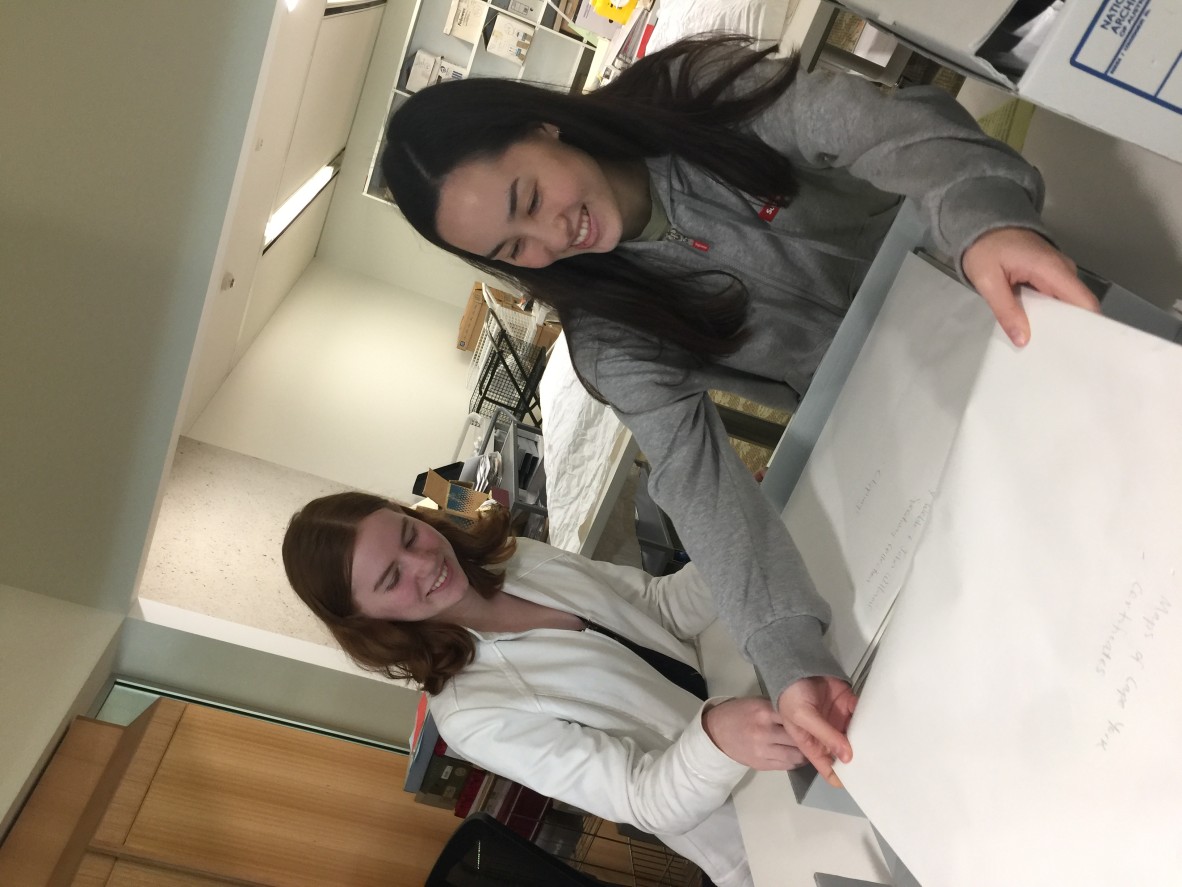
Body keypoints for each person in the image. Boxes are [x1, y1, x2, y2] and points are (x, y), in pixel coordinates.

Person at [379, 35, 1100, 783]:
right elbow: (703, 489)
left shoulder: (696, 94)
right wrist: (787, 654)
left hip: (999, 280)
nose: (552, 238)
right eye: (513, 246)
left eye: (528, 200)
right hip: (930, 413)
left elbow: (885, 130)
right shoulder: (611, 340)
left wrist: (984, 222)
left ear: (541, 125)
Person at [283, 492, 806, 887]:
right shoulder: (474, 715)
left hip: (777, 704)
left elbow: (659, 608)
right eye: (391, 578)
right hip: (762, 828)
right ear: (367, 621)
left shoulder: (519, 559)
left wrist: (722, 544)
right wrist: (717, 737)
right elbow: (643, 799)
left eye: (408, 535)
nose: (426, 563)